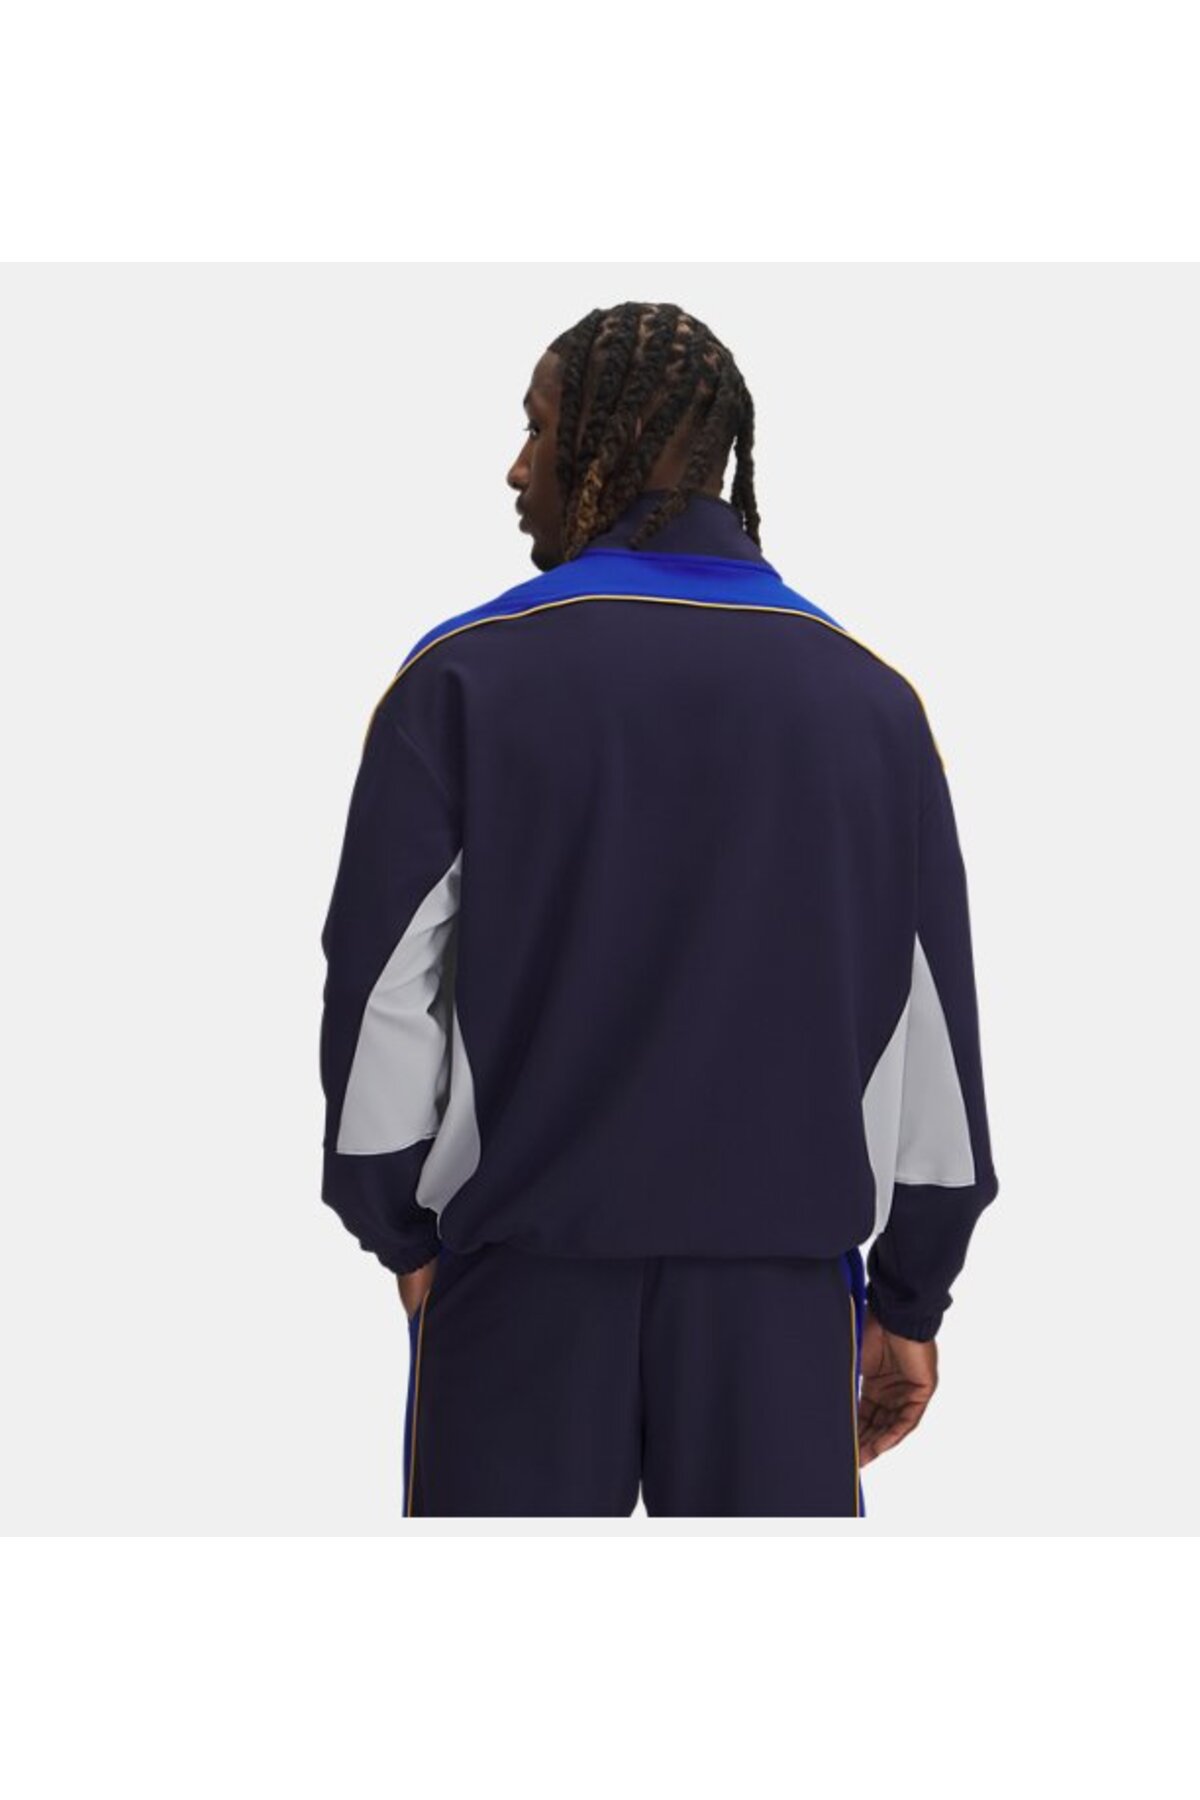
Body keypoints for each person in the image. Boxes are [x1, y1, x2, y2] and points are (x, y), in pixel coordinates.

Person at [318, 300, 1000, 1518]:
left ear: (606, 444)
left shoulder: (464, 679)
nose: (517, 468)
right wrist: (910, 1297)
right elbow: (933, 1029)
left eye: (538, 429)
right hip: (780, 1307)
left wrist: (404, 1236)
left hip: (518, 1286)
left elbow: (379, 998)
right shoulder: (873, 707)